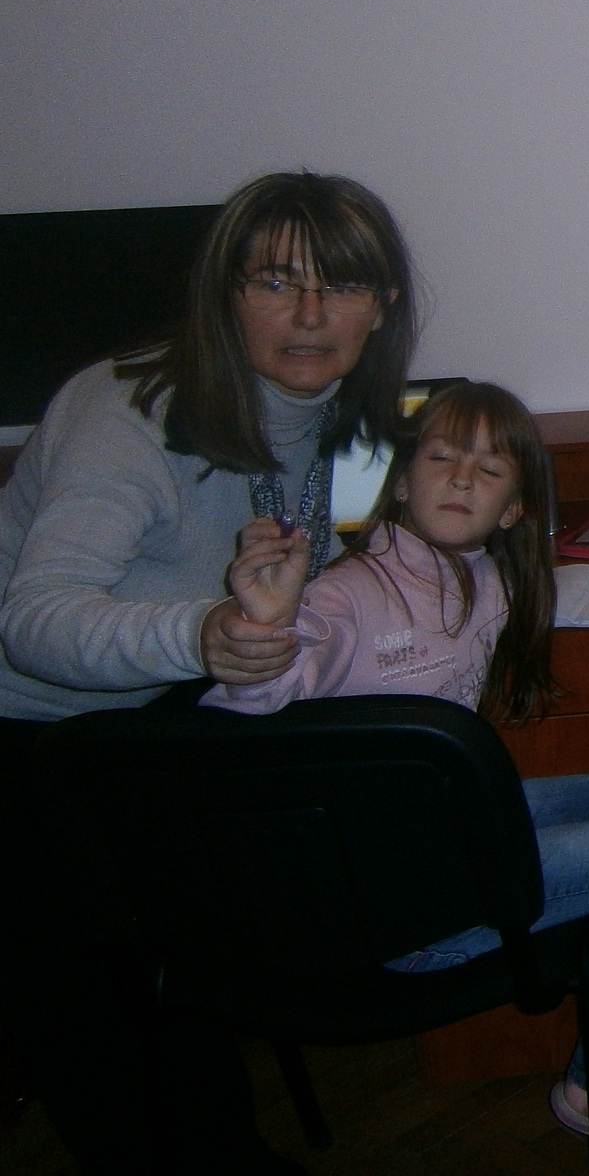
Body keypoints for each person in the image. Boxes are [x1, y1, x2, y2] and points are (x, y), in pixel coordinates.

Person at [0, 170, 417, 1174]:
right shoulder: (130, 411)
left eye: (341, 285)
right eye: (276, 282)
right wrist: (205, 635)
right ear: (224, 296)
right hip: (26, 723)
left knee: (191, 948)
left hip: (146, 714)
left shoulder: (333, 410)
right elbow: (34, 619)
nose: (310, 314)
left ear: (382, 305)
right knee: (99, 1005)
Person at [204, 381, 589, 1163]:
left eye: (488, 470)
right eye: (442, 459)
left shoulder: (485, 576)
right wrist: (266, 626)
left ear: (513, 509)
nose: (460, 479)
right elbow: (252, 708)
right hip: (404, 904)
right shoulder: (347, 594)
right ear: (402, 480)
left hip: (447, 840)